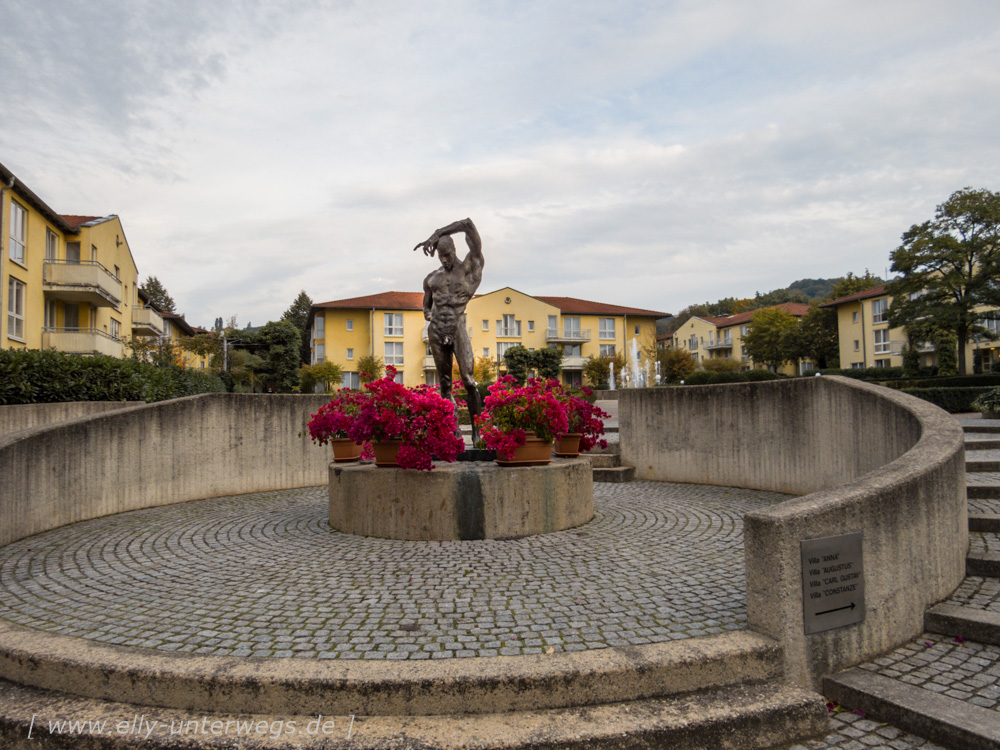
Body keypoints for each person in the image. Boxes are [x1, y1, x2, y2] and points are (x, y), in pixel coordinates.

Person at [413, 218, 484, 443]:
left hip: (458, 329)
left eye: (448, 254)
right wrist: (431, 317)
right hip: (436, 331)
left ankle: (477, 430)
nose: (444, 259)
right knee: (444, 386)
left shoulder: (470, 268)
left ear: (455, 249)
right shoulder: (432, 279)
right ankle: (451, 432)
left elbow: (468, 225)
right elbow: (426, 308)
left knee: (469, 380)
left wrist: (436, 232)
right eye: (441, 256)